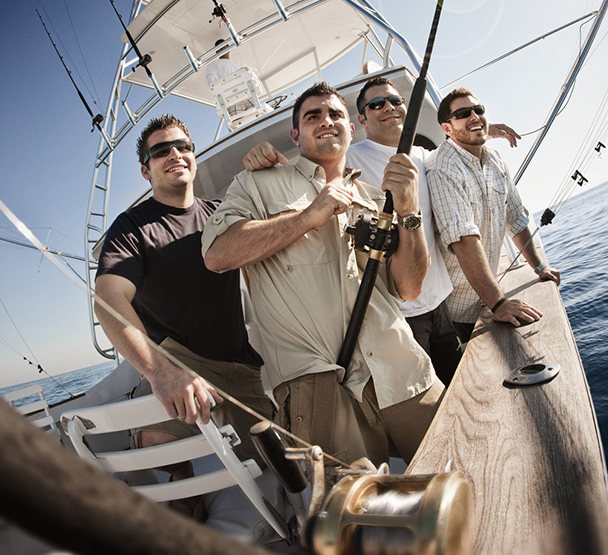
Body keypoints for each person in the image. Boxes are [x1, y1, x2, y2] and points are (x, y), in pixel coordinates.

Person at [202, 82, 444, 471]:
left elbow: (408, 287)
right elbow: (218, 255)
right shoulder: (256, 183)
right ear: (296, 135)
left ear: (352, 127)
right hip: (316, 389)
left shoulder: (372, 194)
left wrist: (410, 212)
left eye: (334, 114)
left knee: (459, 475)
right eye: (312, 116)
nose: (325, 121)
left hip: (403, 370)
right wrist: (305, 217)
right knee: (359, 522)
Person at [242, 75, 521, 385]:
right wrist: (264, 155)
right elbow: (312, 169)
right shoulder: (350, 157)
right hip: (397, 312)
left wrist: (482, 132)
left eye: (395, 100)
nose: (388, 107)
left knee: (461, 387)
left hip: (441, 300)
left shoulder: (427, 158)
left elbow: (456, 148)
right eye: (376, 104)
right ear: (361, 119)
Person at [94, 114, 275, 524]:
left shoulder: (221, 214)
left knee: (275, 458)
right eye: (161, 151)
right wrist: (160, 373)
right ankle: (184, 499)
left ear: (193, 157)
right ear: (147, 170)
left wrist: (268, 166)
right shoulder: (131, 228)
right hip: (178, 362)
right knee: (159, 439)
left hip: (240, 368)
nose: (175, 154)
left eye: (183, 147)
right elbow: (108, 297)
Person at [426, 87, 561, 342]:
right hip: (456, 312)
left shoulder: (495, 159)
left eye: (479, 110)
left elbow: (517, 219)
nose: (474, 116)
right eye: (464, 113)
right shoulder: (442, 168)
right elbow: (463, 240)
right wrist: (499, 304)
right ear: (447, 128)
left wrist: (540, 267)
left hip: (488, 297)